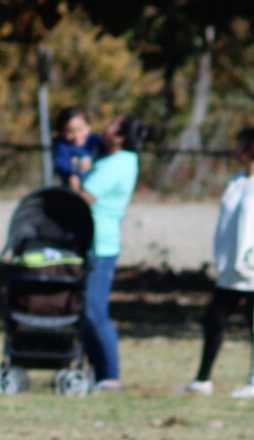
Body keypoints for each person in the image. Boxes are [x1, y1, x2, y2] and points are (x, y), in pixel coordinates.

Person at [183, 127, 254, 400]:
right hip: (230, 272)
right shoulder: (238, 180)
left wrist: (253, 259)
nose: (237, 147)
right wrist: (223, 259)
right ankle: (202, 379)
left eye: (242, 143)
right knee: (214, 320)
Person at [74, 115, 147, 393]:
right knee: (87, 311)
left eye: (112, 123)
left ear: (119, 136)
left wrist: (72, 178)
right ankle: (95, 372)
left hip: (100, 247)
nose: (104, 126)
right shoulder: (111, 158)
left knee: (95, 311)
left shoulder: (120, 162)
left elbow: (85, 196)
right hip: (91, 244)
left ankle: (110, 375)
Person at [52, 107, 104, 193]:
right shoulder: (63, 146)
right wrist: (75, 169)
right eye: (70, 131)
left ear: (89, 126)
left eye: (80, 129)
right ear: (61, 132)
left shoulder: (95, 141)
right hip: (74, 188)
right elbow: (61, 165)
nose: (76, 136)